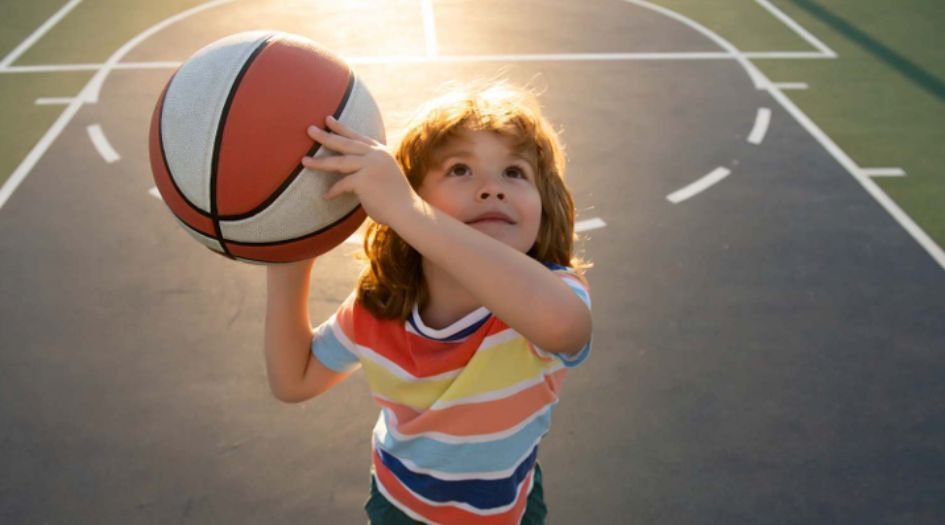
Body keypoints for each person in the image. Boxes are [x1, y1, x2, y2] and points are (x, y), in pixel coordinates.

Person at [263, 81, 593, 525]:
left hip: (507, 513)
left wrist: (405, 209)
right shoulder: (379, 306)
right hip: (398, 508)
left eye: (514, 173)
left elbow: (562, 325)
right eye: (460, 169)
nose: (492, 189)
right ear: (411, 191)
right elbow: (295, 380)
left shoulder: (547, 294)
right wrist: (287, 250)